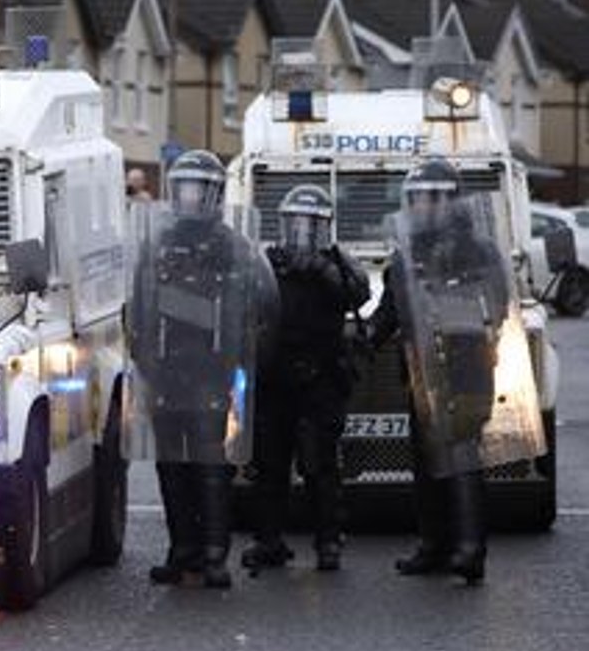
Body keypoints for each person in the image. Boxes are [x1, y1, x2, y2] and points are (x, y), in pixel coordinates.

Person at [127, 149, 276, 589]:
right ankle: (182, 550)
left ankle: (214, 554)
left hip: (212, 373)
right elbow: (139, 306)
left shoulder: (233, 246)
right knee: (171, 467)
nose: (191, 198)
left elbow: (261, 309)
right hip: (167, 373)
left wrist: (242, 366)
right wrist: (144, 361)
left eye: (199, 190)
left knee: (212, 467)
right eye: (185, 189)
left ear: (215, 194)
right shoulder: (158, 243)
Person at [369, 158, 509, 584]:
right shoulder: (406, 253)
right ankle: (433, 545)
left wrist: (448, 301)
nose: (423, 206)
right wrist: (363, 337)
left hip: (466, 368)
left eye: (432, 198)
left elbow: (497, 304)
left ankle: (469, 549)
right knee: (427, 459)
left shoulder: (478, 249)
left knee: (462, 456)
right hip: (422, 372)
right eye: (416, 199)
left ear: (452, 201)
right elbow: (391, 311)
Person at [242, 185, 369, 574]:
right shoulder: (269, 262)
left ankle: (328, 542)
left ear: (324, 227)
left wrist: (323, 270)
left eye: (311, 225)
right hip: (274, 376)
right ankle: (269, 541)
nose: (302, 232)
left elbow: (358, 294)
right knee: (270, 464)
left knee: (319, 465)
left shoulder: (337, 263)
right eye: (295, 224)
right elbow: (244, 299)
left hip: (320, 378)